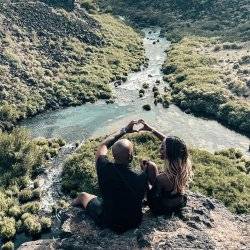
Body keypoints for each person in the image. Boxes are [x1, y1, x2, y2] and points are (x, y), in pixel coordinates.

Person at [73, 121, 148, 233]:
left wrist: (125, 130)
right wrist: (144, 170)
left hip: (109, 221)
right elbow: (145, 195)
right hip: (134, 221)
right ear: (131, 156)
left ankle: (69, 208)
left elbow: (103, 145)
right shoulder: (141, 176)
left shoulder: (104, 167)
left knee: (83, 196)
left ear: (113, 156)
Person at [139, 119, 192, 215]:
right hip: (180, 202)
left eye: (162, 148)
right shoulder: (185, 163)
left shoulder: (162, 178)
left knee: (148, 166)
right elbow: (171, 144)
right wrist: (150, 129)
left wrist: (144, 175)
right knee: (152, 166)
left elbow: (152, 197)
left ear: (168, 153)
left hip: (163, 208)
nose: (160, 149)